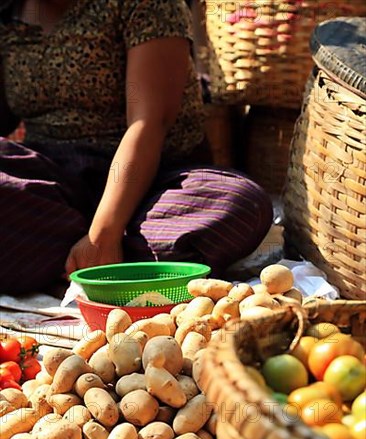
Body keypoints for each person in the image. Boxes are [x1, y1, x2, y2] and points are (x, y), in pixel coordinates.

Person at [0, 0, 273, 295]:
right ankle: (114, 264)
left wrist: (103, 234)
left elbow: (148, 123)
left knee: (242, 204)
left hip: (152, 187)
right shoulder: (8, 12)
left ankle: (73, 257)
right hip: (53, 185)